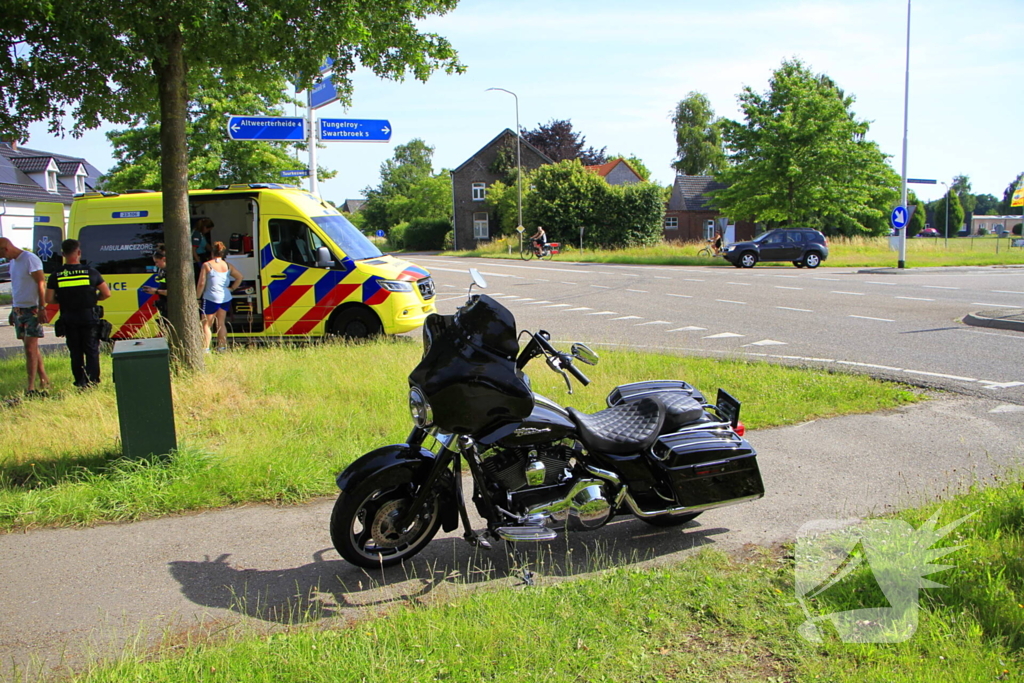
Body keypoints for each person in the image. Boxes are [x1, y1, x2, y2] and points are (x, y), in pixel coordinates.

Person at [45, 239, 111, 389]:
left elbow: (48, 298)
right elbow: (106, 293)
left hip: (69, 318)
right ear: (79, 252)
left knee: (75, 352)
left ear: (63, 254)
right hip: (88, 317)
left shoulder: (57, 275)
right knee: (91, 350)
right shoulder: (91, 272)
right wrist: (94, 298)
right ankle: (93, 381)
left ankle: (80, 381)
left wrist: (64, 299)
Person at [0, 237, 50, 396]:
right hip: (19, 309)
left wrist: (42, 307)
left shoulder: (30, 259)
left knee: (29, 348)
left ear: (6, 248)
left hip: (32, 309)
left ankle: (30, 387)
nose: (3, 258)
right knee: (31, 347)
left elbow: (41, 283)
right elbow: (17, 286)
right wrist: (12, 310)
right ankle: (43, 378)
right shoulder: (13, 263)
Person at [196, 241, 242, 352]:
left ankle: (205, 349)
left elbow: (201, 283)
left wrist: (197, 298)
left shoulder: (207, 265)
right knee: (221, 323)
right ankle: (222, 348)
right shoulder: (227, 265)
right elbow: (240, 277)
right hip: (225, 297)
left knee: (206, 325)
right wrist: (232, 288)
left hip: (211, 297)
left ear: (212, 252)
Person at [142, 247, 169, 335]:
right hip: (164, 305)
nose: (156, 265)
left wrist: (156, 291)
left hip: (170, 306)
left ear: (164, 259)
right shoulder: (162, 271)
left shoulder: (171, 272)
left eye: (157, 262)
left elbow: (172, 292)